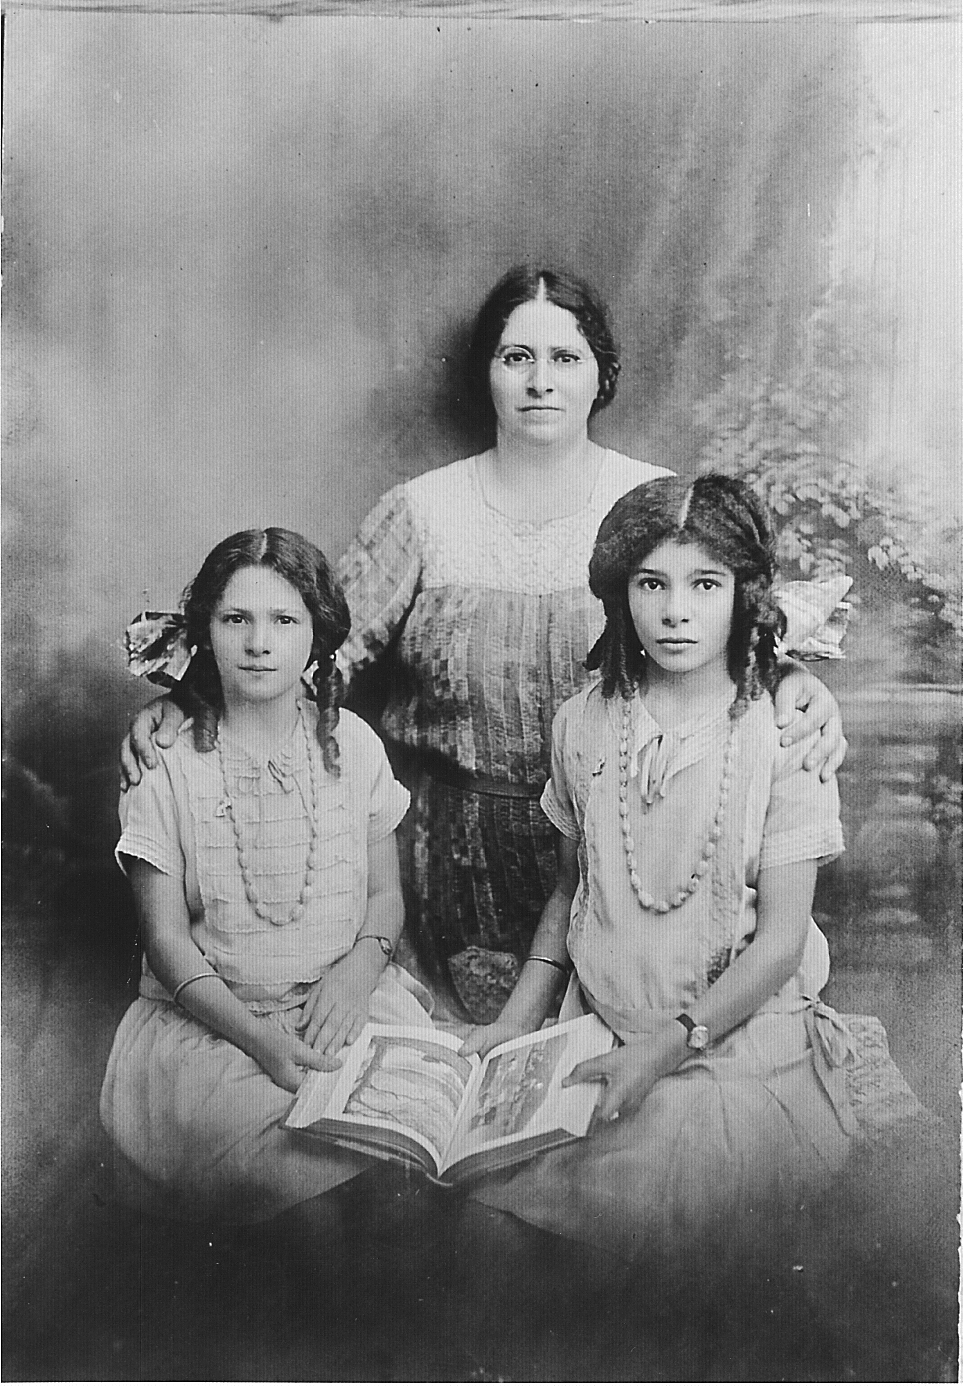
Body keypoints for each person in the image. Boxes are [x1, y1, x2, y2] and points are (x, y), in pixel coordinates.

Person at [119, 267, 847, 1022]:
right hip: (453, 881)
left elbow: (726, 624)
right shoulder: (423, 511)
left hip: (628, 873)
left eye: (564, 358)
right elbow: (309, 651)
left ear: (601, 373)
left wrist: (794, 680)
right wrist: (187, 705)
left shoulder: (652, 504)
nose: (540, 382)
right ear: (486, 373)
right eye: (515, 357)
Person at [460, 473, 866, 1258]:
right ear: (621, 593)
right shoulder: (581, 723)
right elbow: (570, 890)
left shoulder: (784, 734)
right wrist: (516, 1023)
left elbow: (781, 942)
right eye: (652, 583)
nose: (675, 610)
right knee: (488, 1233)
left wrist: (668, 1046)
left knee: (657, 1231)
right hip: (600, 1022)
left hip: (731, 1043)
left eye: (704, 584)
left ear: (742, 593)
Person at [100, 529, 434, 1225]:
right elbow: (165, 940)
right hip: (219, 1032)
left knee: (414, 1197)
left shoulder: (354, 746)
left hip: (345, 1009)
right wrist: (258, 1039)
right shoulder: (166, 762)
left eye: (283, 621)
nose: (259, 643)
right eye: (235, 620)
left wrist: (354, 976)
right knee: (305, 1217)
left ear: (318, 638)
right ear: (204, 634)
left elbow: (383, 896)